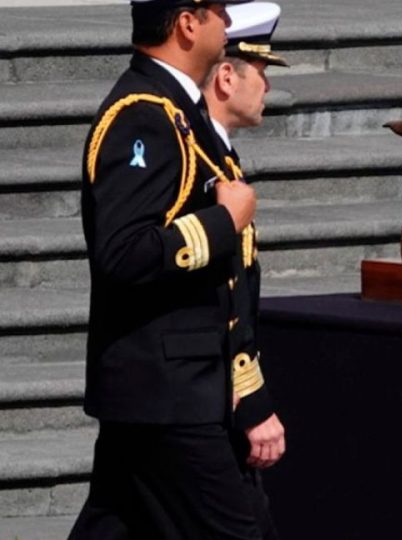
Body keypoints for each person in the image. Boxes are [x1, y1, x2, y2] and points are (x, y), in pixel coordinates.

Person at [71, 1, 282, 538]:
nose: (228, 24)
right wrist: (222, 221)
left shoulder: (179, 113)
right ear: (188, 23)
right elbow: (122, 252)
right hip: (167, 395)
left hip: (168, 389)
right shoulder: (143, 115)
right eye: (218, 11)